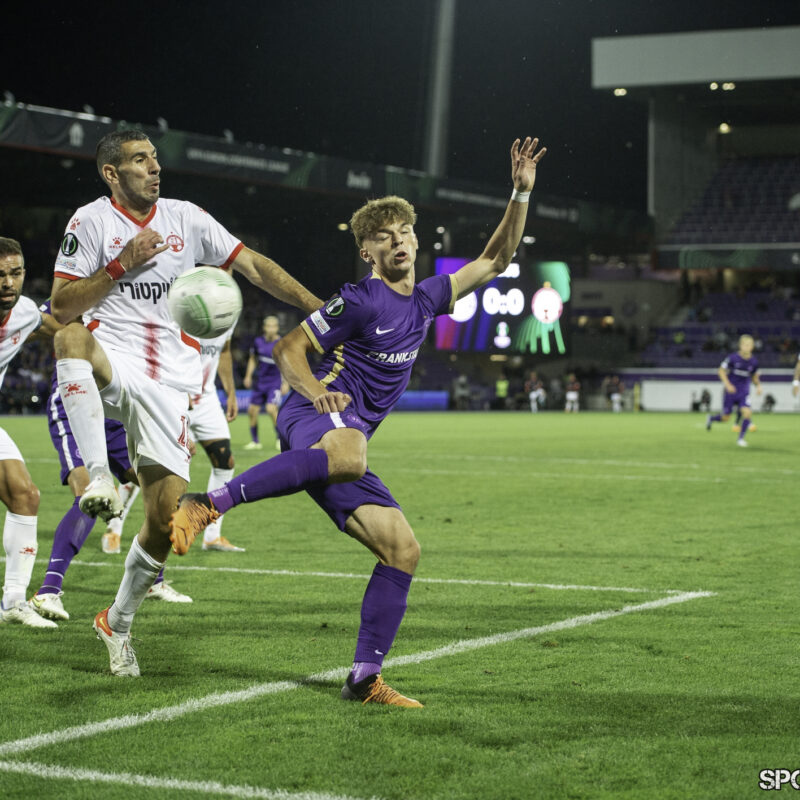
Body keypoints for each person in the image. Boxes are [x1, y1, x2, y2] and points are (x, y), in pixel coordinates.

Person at [170, 136, 546, 706]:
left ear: (416, 241)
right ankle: (206, 504)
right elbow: (289, 350)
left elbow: (495, 259)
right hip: (312, 417)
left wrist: (519, 192)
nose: (397, 242)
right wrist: (319, 391)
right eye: (382, 237)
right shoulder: (359, 300)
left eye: (404, 234)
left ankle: (364, 678)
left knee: (403, 549)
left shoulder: (425, 300)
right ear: (367, 252)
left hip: (344, 442)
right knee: (349, 452)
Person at [49, 129, 323, 676]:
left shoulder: (187, 217)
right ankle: (100, 476)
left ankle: (116, 622)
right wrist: (120, 263)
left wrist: (318, 308)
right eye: (140, 160)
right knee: (68, 339)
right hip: (115, 360)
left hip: (172, 387)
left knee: (161, 522)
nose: (155, 168)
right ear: (111, 173)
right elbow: (61, 304)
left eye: (155, 159)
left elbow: (253, 266)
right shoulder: (91, 221)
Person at [30, 303, 191, 623]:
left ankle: (152, 580)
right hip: (75, 399)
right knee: (89, 491)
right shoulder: (80, 288)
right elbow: (38, 321)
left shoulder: (138, 293)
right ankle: (48, 590)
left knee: (159, 485)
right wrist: (77, 332)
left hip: (118, 401)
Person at [0, 237, 59, 628]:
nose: (7, 282)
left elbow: (54, 327)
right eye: (0, 275)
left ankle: (12, 602)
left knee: (25, 495)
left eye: (15, 273)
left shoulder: (23, 312)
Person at [188, 325, 245, 551]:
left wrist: (231, 392)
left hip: (207, 398)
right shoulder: (183, 309)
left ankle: (212, 535)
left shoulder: (228, 311)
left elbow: (224, 351)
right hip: (177, 395)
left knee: (225, 462)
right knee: (158, 469)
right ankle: (115, 528)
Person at [705, 334, 762, 447]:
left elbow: (754, 377)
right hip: (731, 392)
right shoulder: (732, 358)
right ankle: (711, 418)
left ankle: (740, 439)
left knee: (747, 413)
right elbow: (721, 371)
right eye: (745, 345)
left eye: (749, 345)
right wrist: (727, 384)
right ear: (740, 346)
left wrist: (758, 386)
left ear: (752, 347)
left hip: (744, 393)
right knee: (726, 417)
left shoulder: (754, 362)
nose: (747, 347)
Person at [243, 315, 285, 451]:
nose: (271, 329)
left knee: (271, 409)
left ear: (277, 328)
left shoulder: (281, 343)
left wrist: (286, 382)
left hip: (275, 382)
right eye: (268, 326)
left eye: (274, 326)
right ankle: (255, 441)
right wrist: (248, 376)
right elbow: (253, 359)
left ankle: (280, 439)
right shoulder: (258, 342)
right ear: (264, 328)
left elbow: (287, 364)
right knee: (252, 411)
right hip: (260, 382)